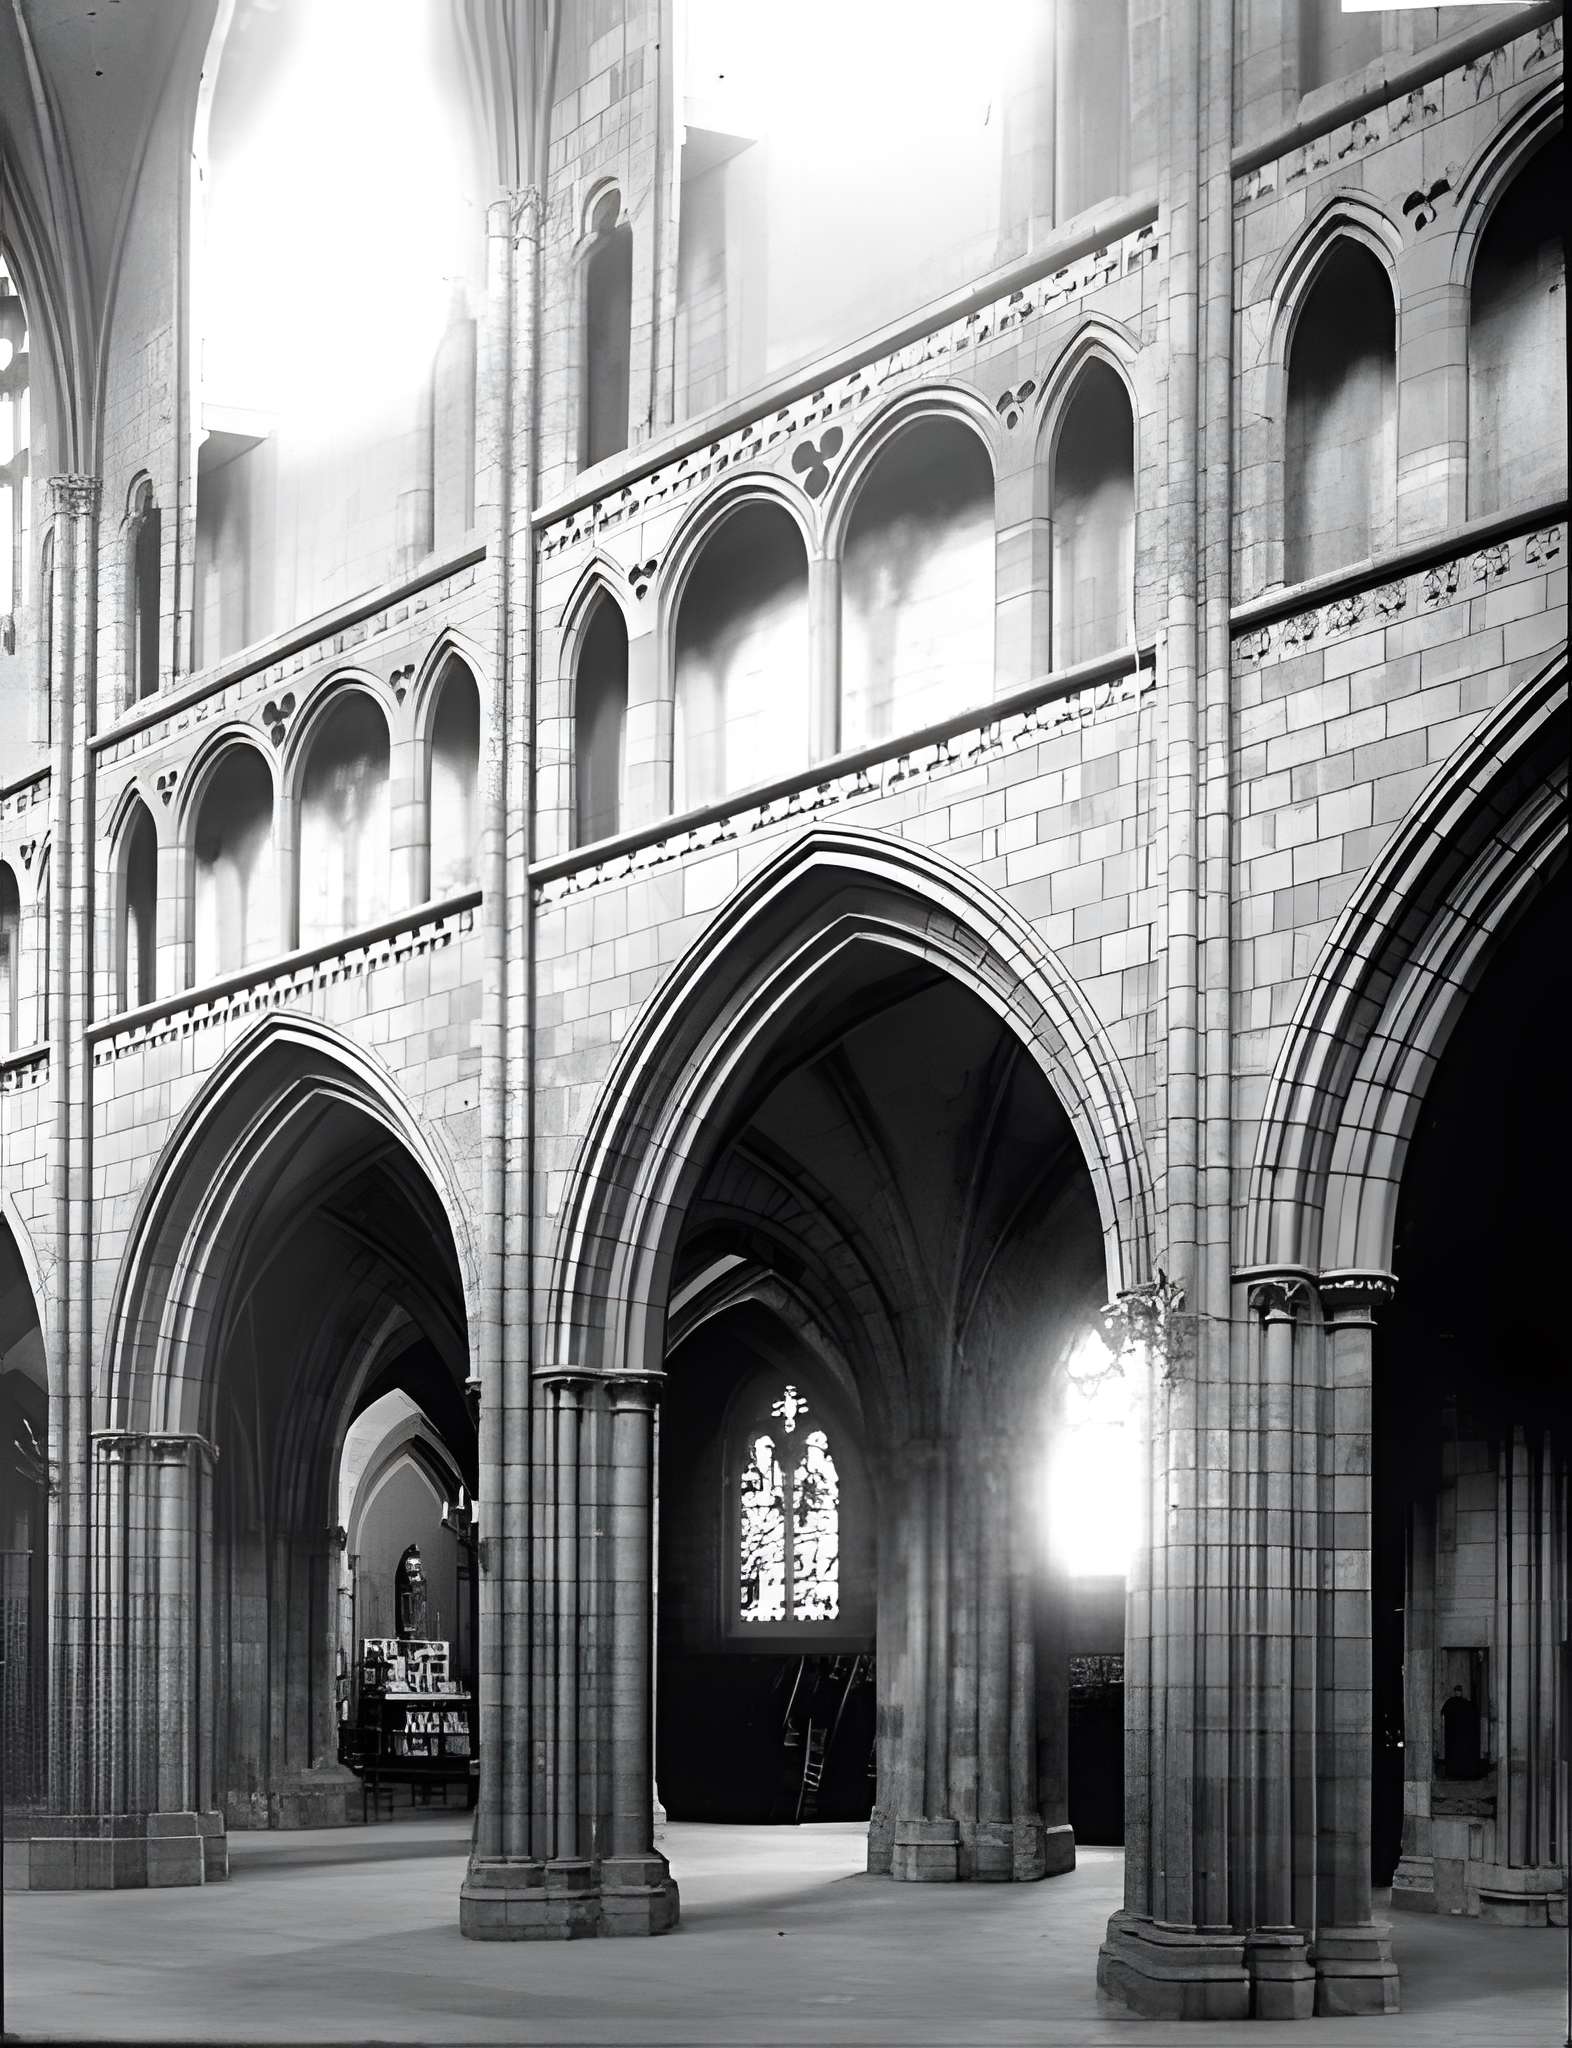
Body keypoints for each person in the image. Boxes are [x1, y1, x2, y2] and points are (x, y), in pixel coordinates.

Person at [1440, 1681, 1481, 1779]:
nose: (1458, 1693)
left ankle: (1456, 1772)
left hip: (1456, 1734)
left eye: (1459, 1691)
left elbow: (1443, 1715)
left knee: (1457, 1753)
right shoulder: (1456, 1703)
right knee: (1458, 1753)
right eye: (1457, 1691)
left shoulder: (1454, 1703)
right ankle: (1458, 1772)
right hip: (1456, 1734)